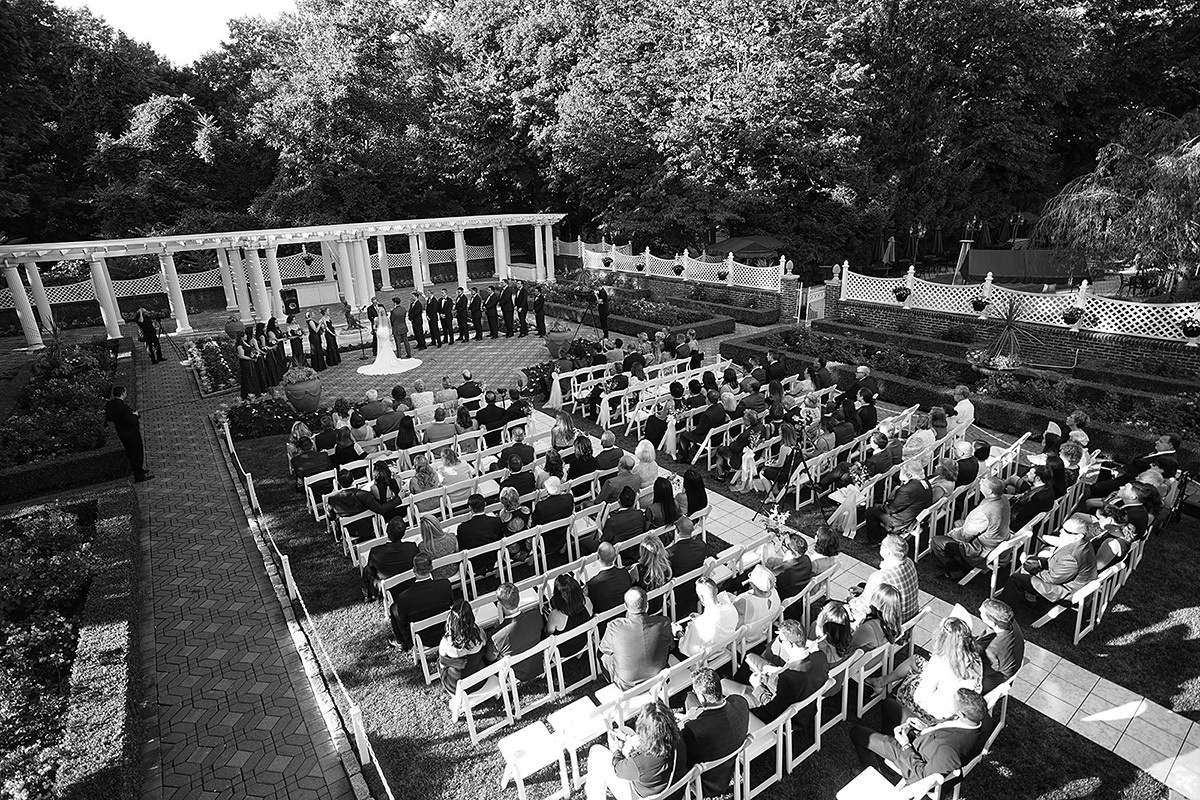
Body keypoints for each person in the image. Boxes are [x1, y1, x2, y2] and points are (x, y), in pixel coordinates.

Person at [849, 689, 991, 784]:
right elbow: (946, 729)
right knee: (888, 705)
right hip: (927, 739)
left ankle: (871, 772)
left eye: (954, 704)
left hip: (912, 758)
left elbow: (923, 775)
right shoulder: (984, 720)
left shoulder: (949, 750)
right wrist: (925, 727)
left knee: (857, 733)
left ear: (961, 714)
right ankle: (882, 753)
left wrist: (905, 745)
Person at [868, 617, 983, 726]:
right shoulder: (975, 658)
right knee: (915, 660)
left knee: (912, 677)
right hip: (955, 712)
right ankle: (881, 682)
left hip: (933, 715)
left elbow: (921, 696)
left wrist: (916, 679)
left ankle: (886, 689)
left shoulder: (941, 661)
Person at [584, 701, 687, 800]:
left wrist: (616, 750)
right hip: (674, 793)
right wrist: (628, 737)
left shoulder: (638, 763)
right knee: (628, 732)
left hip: (639, 795)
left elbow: (618, 769)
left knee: (596, 752)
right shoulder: (680, 740)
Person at [1002, 513, 1098, 613]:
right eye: (1062, 527)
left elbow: (1052, 579)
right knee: (1032, 560)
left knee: (1016, 579)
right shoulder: (1084, 543)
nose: (1061, 531)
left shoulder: (1071, 558)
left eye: (1066, 531)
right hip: (1066, 581)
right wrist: (1038, 563)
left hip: (1065, 591)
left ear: (1078, 536)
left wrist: (1033, 569)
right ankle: (1029, 600)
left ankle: (1004, 611)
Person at [680, 667, 750, 798]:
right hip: (730, 758)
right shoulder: (740, 702)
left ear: (701, 697)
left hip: (707, 780)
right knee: (690, 699)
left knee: (689, 699)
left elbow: (687, 759)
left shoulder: (694, 730)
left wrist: (687, 720)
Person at [931, 476, 1012, 579]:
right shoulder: (1004, 498)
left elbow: (964, 536)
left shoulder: (983, 512)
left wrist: (951, 534)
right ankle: (961, 561)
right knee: (958, 523)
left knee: (937, 541)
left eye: (984, 482)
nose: (981, 482)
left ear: (990, 491)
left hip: (982, 549)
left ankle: (955, 571)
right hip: (996, 539)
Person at [599, 587, 673, 689]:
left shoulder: (614, 627)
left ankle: (612, 681)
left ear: (625, 606)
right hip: (659, 680)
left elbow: (603, 650)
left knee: (605, 655)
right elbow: (671, 646)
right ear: (647, 606)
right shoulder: (664, 622)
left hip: (627, 686)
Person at [389, 553, 453, 650]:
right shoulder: (445, 585)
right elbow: (451, 604)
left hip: (422, 639)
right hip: (445, 631)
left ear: (414, 570)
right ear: (431, 568)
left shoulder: (404, 597)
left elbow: (404, 622)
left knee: (394, 608)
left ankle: (401, 642)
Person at [863, 460, 933, 544]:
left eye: (902, 470)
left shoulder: (907, 490)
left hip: (901, 522)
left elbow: (891, 509)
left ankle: (876, 540)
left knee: (871, 511)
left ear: (909, 475)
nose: (900, 471)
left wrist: (881, 507)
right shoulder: (925, 482)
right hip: (916, 517)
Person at [854, 535, 920, 622]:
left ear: (888, 552)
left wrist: (851, 601)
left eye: (882, 545)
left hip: (890, 624)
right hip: (910, 616)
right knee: (862, 586)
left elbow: (863, 606)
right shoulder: (909, 562)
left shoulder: (879, 577)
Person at [438, 600, 493, 697]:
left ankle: (446, 688)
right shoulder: (479, 634)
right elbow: (485, 644)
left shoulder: (446, 642)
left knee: (439, 662)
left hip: (457, 686)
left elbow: (443, 664)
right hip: (479, 680)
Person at [491, 582, 544, 682]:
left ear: (500, 605)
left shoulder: (497, 636)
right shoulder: (536, 616)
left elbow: (490, 658)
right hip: (536, 665)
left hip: (516, 673)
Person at [677, 577, 739, 657]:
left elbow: (686, 650)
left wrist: (679, 633)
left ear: (701, 598)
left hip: (705, 658)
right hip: (723, 649)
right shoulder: (731, 609)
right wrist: (699, 618)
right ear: (716, 590)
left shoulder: (698, 624)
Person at [976, 598, 1024, 694]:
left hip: (991, 682)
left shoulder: (991, 650)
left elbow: (978, 670)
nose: (978, 609)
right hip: (1008, 665)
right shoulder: (1010, 622)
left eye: (982, 612)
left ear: (992, 622)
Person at [362, 517, 417, 601]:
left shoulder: (376, 552)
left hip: (387, 588)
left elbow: (371, 572)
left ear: (387, 531)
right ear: (403, 533)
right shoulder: (412, 547)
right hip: (408, 584)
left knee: (367, 570)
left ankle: (369, 594)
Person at [106, 386, 150, 482]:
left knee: (131, 454)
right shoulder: (123, 408)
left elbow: (109, 418)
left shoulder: (110, 405)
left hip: (122, 433)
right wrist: (135, 415)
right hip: (131, 433)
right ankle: (139, 476)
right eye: (125, 392)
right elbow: (132, 421)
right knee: (136, 454)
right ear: (122, 394)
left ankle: (140, 471)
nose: (126, 393)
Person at [544, 573, 593, 659]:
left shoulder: (556, 615)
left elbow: (548, 634)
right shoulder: (587, 602)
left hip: (563, 650)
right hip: (582, 641)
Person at [594, 486, 649, 559]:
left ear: (619, 501)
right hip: (637, 551)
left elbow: (605, 540)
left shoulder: (613, 521)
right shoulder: (640, 514)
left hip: (619, 555)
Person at [849, 582, 904, 652]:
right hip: (877, 659)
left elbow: (848, 645)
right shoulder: (893, 626)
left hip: (858, 661)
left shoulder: (868, 628)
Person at [457, 494, 504, 574]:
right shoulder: (496, 521)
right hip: (492, 557)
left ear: (470, 508)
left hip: (473, 561)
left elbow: (462, 548)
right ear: (485, 504)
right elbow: (499, 539)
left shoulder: (463, 528)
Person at [533, 476, 575, 557]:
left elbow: (535, 523)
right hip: (562, 534)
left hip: (546, 539)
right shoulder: (569, 498)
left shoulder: (541, 506)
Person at [679, 390, 726, 463]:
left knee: (684, 435)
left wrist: (693, 430)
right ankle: (693, 449)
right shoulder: (720, 407)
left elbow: (699, 431)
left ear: (707, 399)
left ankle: (685, 457)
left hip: (710, 438)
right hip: (720, 436)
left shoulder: (707, 415)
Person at [586, 543, 633, 614]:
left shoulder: (592, 584)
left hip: (604, 622)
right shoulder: (624, 573)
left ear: (598, 557)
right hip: (626, 614)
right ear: (615, 556)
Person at [1009, 464, 1056, 531]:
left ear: (1037, 478)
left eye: (1030, 473)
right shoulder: (1047, 487)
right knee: (1010, 488)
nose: (1027, 474)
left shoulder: (1037, 498)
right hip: (1026, 516)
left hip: (1019, 524)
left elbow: (1021, 515)